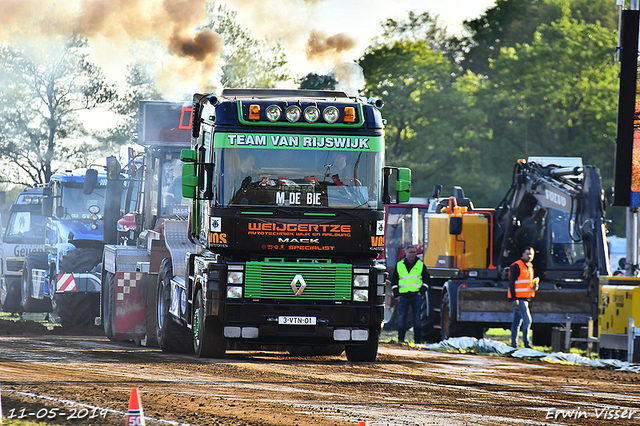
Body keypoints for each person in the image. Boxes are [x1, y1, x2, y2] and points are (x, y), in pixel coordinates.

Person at [390, 245, 431, 343]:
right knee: (402, 318)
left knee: (417, 319)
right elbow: (394, 281)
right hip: (403, 296)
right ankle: (401, 340)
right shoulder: (399, 265)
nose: (413, 254)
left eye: (414, 252)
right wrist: (397, 295)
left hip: (416, 296)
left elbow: (427, 280)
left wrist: (421, 292)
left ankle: (417, 342)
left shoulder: (420, 265)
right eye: (411, 252)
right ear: (406, 253)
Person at [508, 246, 539, 348]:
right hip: (519, 298)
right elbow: (511, 283)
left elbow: (526, 283)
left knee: (517, 322)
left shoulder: (530, 267)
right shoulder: (517, 265)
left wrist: (534, 286)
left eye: (531, 254)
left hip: (525, 297)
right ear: (523, 254)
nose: (529, 256)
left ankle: (514, 345)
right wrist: (513, 298)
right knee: (527, 320)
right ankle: (526, 344)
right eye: (527, 254)